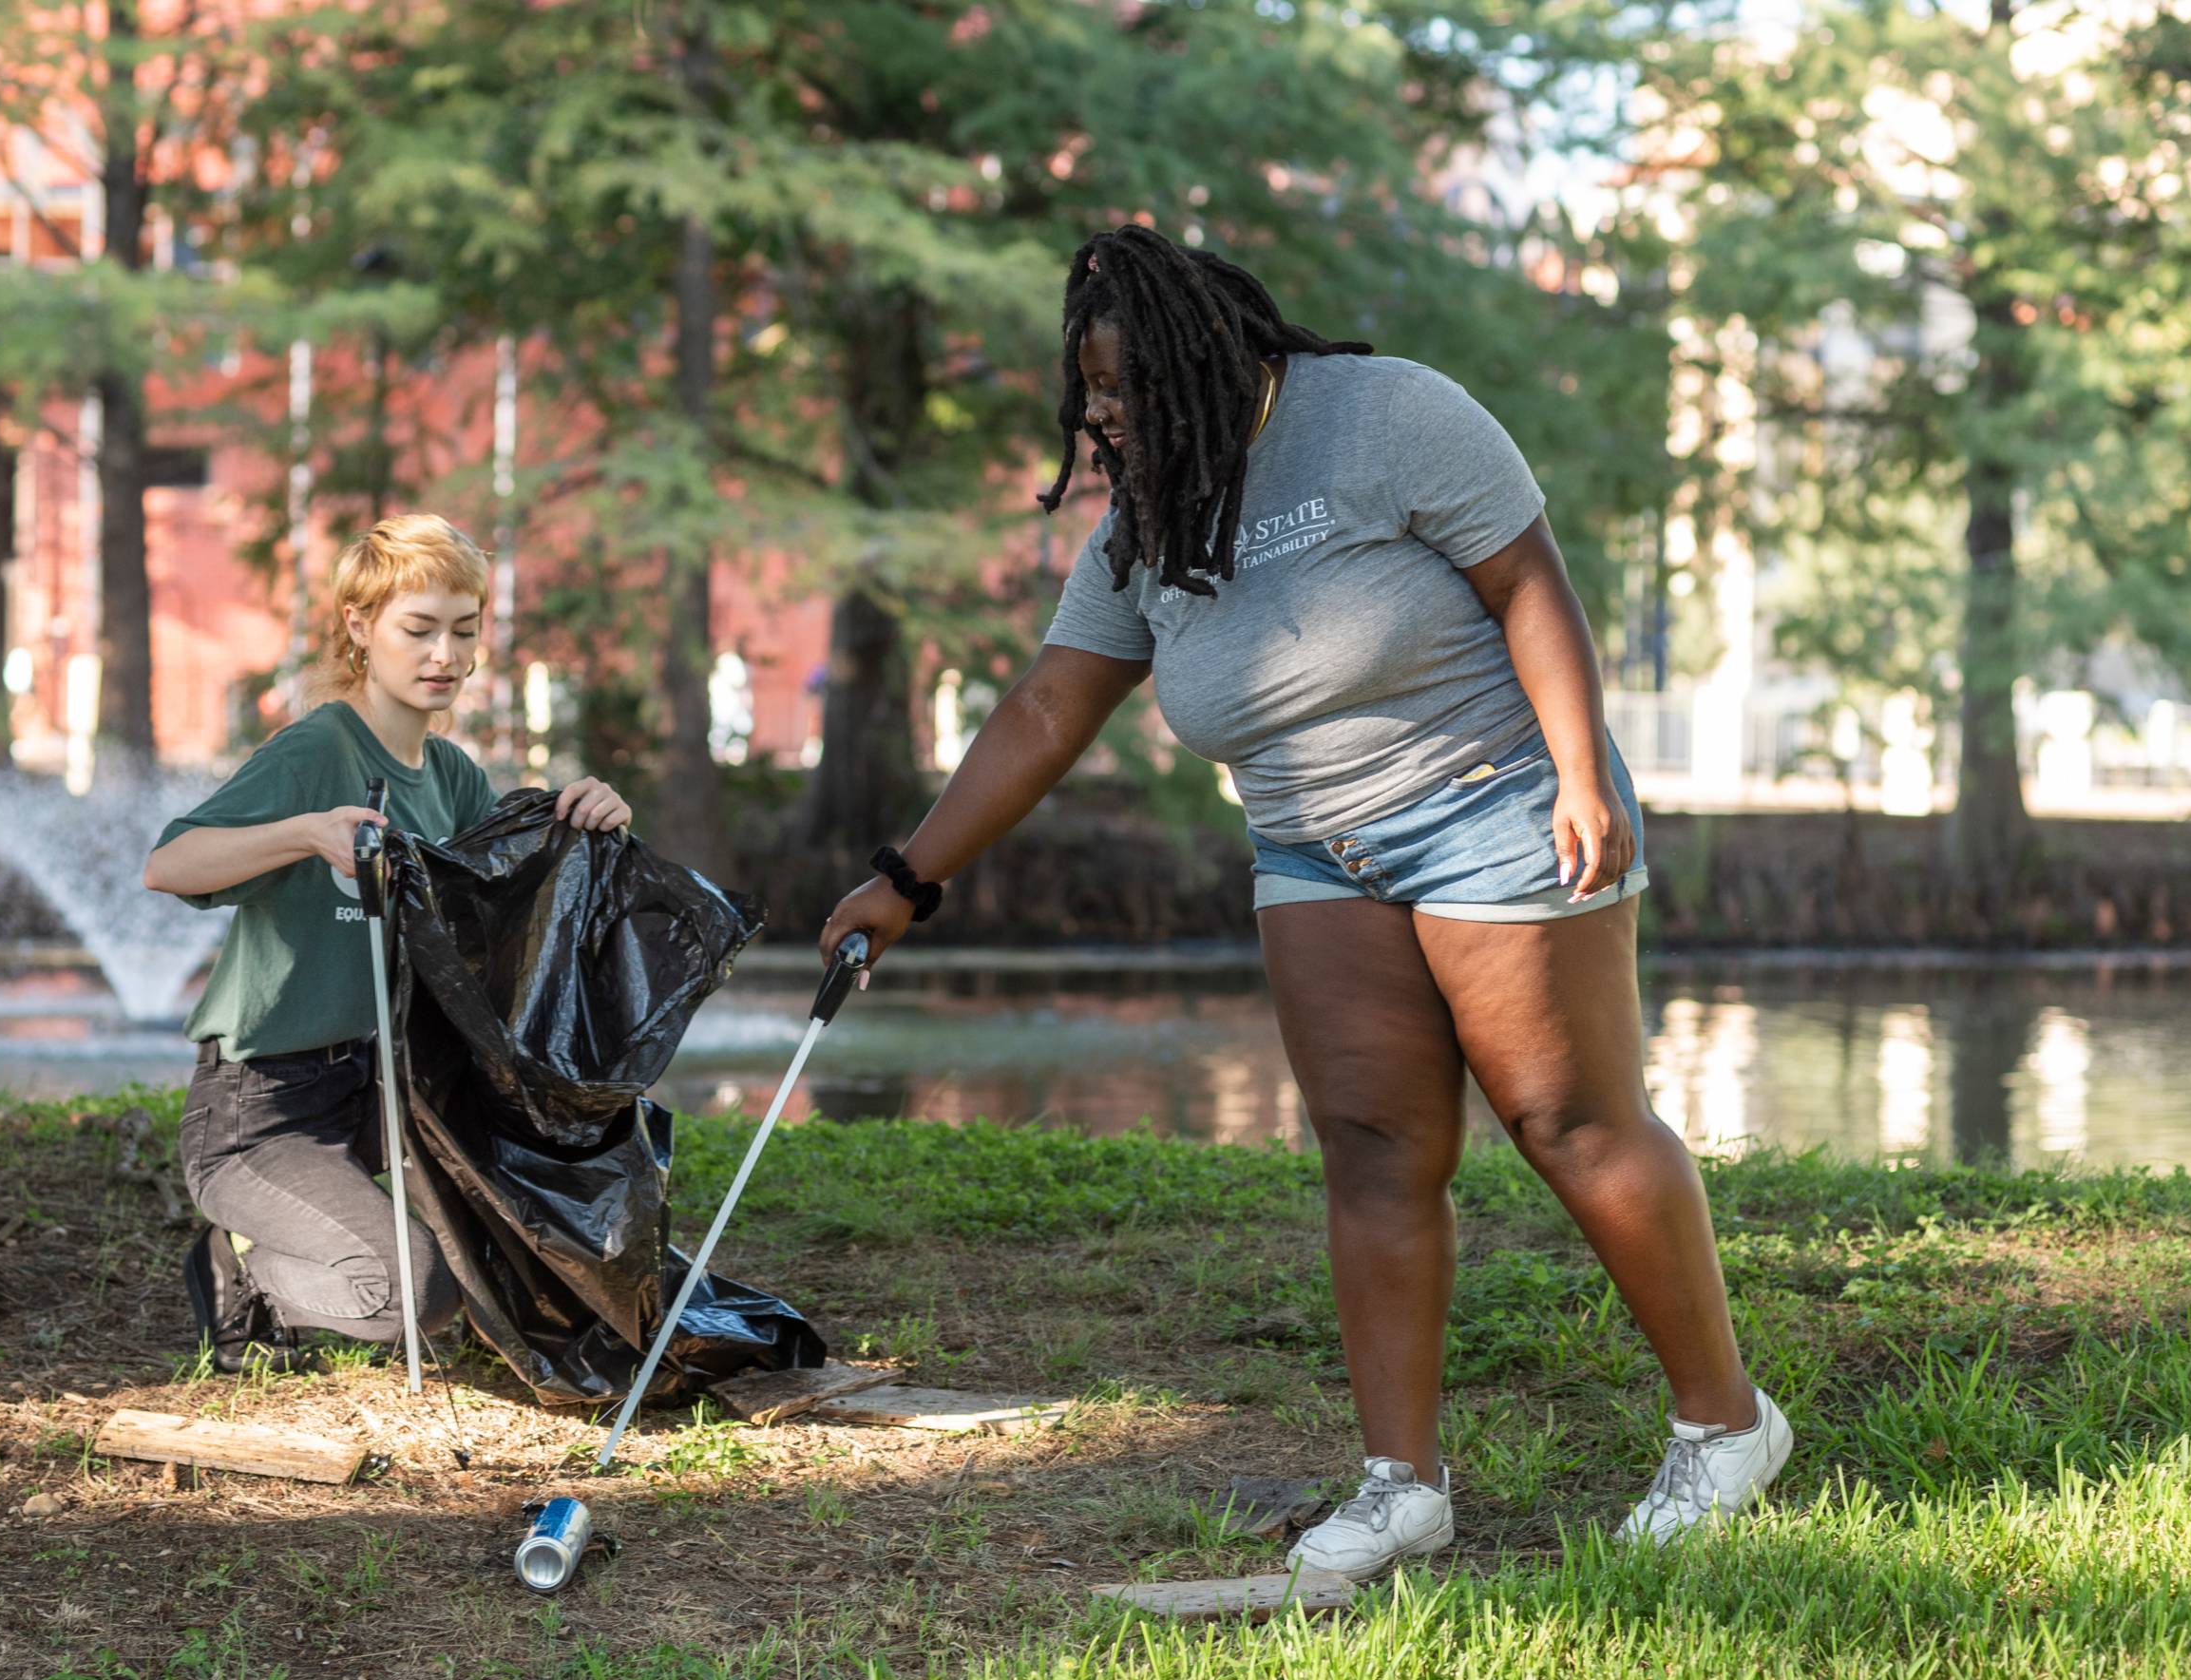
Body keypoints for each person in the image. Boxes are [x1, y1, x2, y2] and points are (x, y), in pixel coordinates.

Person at [818, 225, 1791, 1579]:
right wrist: (908, 877)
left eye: (1123, 386)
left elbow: (1529, 585)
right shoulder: (1145, 527)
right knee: (1375, 1149)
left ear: (1207, 357)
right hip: (1312, 849)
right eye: (1086, 391)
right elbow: (1047, 708)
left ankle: (1724, 1424)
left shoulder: (1388, 413)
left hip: (1493, 800)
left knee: (1567, 1120)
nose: (1099, 415)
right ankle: (1404, 1483)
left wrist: (1581, 771)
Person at [144, 513, 631, 1371]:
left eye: (464, 631)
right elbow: (171, 865)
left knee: (527, 1227)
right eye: (419, 629)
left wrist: (585, 822)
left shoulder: (454, 779)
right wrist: (305, 834)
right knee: (417, 1293)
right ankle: (244, 1276)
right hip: (262, 1110)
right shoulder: (317, 749)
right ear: (362, 627)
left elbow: (505, 917)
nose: (444, 654)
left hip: (394, 1096)